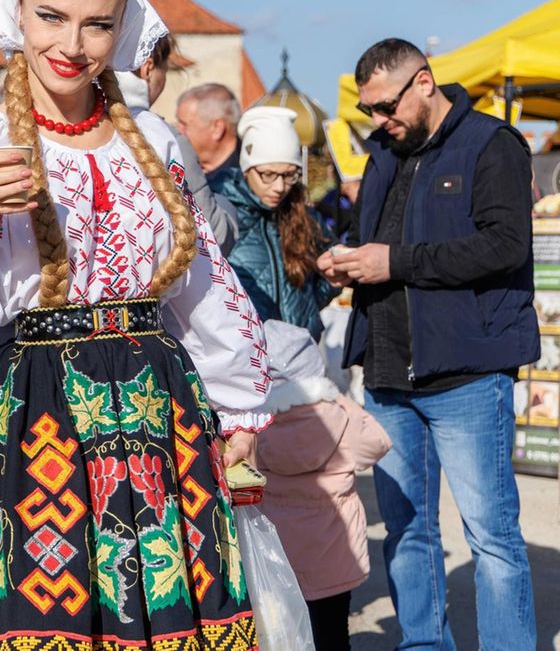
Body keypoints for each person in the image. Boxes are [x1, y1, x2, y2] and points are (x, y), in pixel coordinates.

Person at [0, 0, 271, 648]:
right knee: (42, 616)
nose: (71, 44)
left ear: (121, 30)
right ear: (18, 16)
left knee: (164, 611)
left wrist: (240, 411)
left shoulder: (157, 141)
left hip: (157, 401)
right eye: (51, 17)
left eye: (96, 24)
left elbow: (201, 282)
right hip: (40, 409)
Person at [321, 38, 539, 649]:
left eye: (386, 107)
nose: (379, 121)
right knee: (408, 532)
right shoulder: (386, 153)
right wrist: (345, 263)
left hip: (467, 375)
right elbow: (375, 242)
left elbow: (505, 247)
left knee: (490, 537)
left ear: (424, 82)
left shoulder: (491, 144)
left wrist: (394, 262)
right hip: (389, 374)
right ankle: (423, 644)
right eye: (369, 112)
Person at [254, 321, 391, 651]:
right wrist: (341, 401)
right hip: (333, 556)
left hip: (279, 554)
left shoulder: (257, 425)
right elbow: (378, 443)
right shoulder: (338, 417)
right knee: (332, 633)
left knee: (284, 632)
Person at [213, 106, 337, 340]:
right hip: (243, 358)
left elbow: (324, 281)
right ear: (247, 168)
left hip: (300, 358)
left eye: (290, 175)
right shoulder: (219, 213)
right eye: (268, 174)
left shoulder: (304, 216)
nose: (280, 187)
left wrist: (311, 306)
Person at [117, 35, 239, 254]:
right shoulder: (165, 139)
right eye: (166, 71)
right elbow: (213, 235)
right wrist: (226, 205)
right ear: (148, 69)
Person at [175, 82, 242, 180]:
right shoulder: (180, 170)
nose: (178, 131)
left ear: (217, 129)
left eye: (184, 125)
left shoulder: (249, 179)